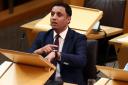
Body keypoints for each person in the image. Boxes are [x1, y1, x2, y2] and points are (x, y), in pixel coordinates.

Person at [28, 2, 87, 85]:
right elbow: (27, 58)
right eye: (52, 14)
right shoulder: (42, 36)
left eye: (59, 15)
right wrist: (39, 51)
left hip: (68, 82)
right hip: (45, 82)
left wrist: (57, 55)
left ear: (68, 19)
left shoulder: (78, 38)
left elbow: (81, 61)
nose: (54, 18)